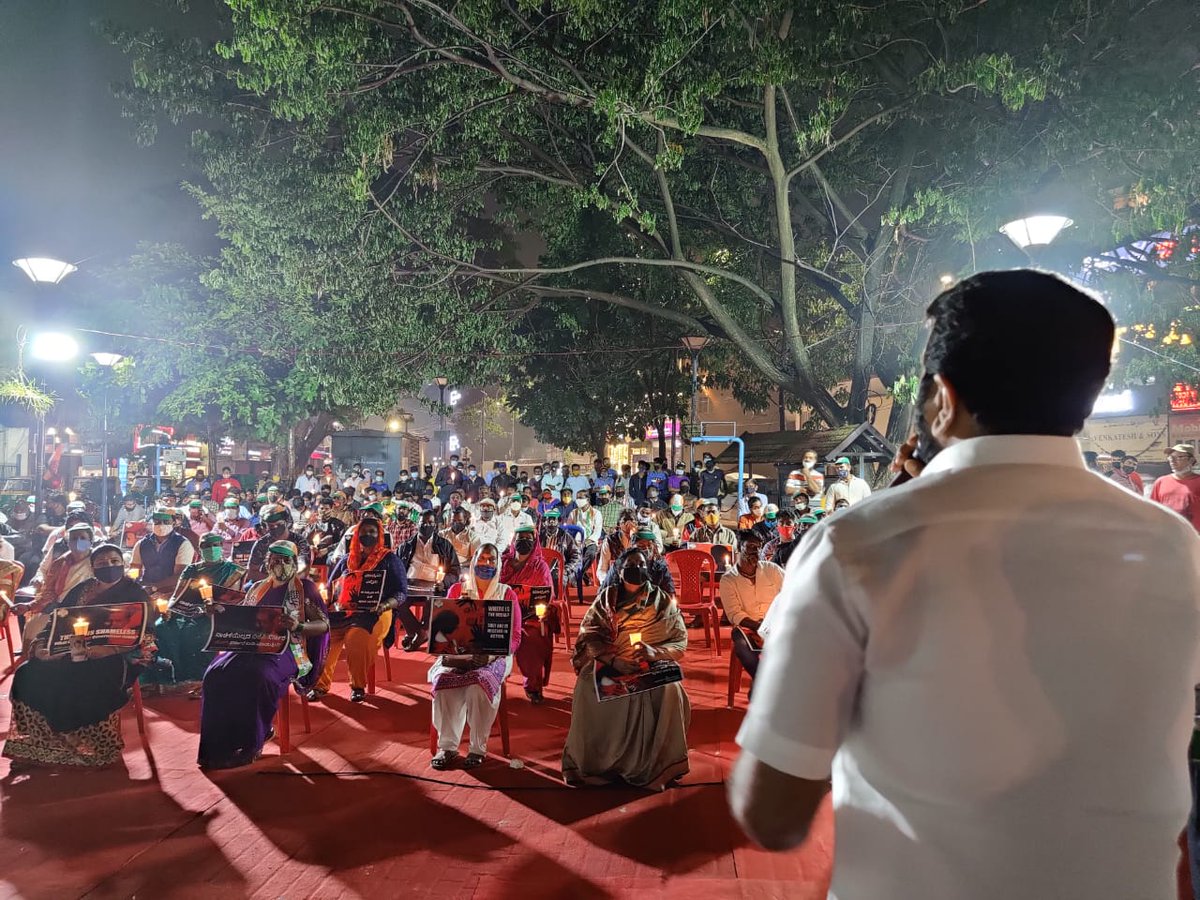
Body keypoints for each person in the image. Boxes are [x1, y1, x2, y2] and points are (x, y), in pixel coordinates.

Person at [730, 269, 1200, 899]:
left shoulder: (855, 546)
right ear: (1087, 397)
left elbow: (773, 813)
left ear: (944, 398)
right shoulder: (1173, 546)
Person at [3, 543, 154, 767]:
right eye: (102, 563)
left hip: (116, 655)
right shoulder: (82, 589)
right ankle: (41, 743)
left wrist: (109, 650)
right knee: (28, 672)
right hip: (70, 650)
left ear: (123, 564)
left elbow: (146, 635)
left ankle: (95, 747)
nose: (109, 566)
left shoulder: (135, 593)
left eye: (114, 561)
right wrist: (42, 647)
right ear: (92, 568)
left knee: (90, 676)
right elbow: (57, 619)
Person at [562, 547, 690, 789]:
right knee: (588, 685)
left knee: (670, 688)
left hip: (651, 661)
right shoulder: (607, 599)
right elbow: (588, 636)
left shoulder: (662, 601)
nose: (636, 570)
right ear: (619, 571)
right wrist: (613, 660)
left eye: (641, 565)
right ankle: (597, 764)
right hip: (612, 660)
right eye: (630, 566)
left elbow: (679, 640)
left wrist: (654, 653)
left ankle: (658, 765)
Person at [198, 541, 329, 769]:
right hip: (251, 645)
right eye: (275, 559)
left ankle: (253, 740)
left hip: (288, 649)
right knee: (215, 674)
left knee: (258, 676)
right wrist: (216, 611)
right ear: (267, 562)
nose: (280, 564)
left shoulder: (305, 588)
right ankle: (217, 746)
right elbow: (240, 617)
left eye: (286, 560)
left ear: (294, 562)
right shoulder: (256, 587)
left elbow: (323, 624)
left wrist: (299, 626)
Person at [429, 543, 523, 769]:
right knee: (444, 683)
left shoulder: (506, 594)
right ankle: (447, 746)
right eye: (482, 558)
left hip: (495, 656)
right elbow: (443, 628)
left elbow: (515, 636)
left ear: (498, 564)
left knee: (478, 687)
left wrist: (489, 657)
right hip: (459, 654)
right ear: (473, 561)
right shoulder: (457, 591)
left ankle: (477, 748)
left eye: (492, 560)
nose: (486, 564)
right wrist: (450, 654)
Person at [311, 518, 407, 702]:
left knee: (355, 638)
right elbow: (330, 586)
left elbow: (401, 592)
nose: (367, 535)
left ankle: (357, 686)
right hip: (342, 612)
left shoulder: (390, 559)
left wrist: (385, 605)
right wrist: (327, 598)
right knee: (324, 638)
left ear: (379, 535)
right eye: (363, 532)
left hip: (377, 612)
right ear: (356, 535)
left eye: (372, 532)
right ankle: (319, 685)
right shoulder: (346, 560)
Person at [146, 533, 248, 691]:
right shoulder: (191, 569)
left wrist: (212, 608)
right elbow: (178, 595)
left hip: (215, 614)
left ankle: (197, 677)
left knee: (193, 633)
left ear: (222, 547)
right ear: (200, 549)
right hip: (186, 611)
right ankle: (170, 677)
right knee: (161, 627)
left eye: (215, 545)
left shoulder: (234, 571)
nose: (211, 549)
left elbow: (233, 601)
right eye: (206, 546)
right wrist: (169, 609)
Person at [498, 521, 556, 704]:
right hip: (503, 614)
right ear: (513, 540)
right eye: (520, 538)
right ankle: (490, 682)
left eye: (528, 538)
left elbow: (548, 595)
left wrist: (541, 609)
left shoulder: (540, 567)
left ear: (535, 541)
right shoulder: (503, 563)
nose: (524, 541)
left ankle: (533, 686)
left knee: (532, 638)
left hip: (529, 618)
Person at [720, 531, 784, 684]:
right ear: (739, 549)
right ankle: (763, 682)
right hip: (747, 627)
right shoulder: (728, 580)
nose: (756, 551)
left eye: (758, 547)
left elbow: (791, 592)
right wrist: (758, 626)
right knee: (742, 646)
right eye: (751, 547)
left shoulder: (772, 570)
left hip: (775, 625)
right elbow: (734, 614)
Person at [395, 510, 460, 646]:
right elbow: (397, 569)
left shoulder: (444, 545)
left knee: (433, 601)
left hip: (434, 586)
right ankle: (418, 632)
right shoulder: (406, 546)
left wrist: (444, 583)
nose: (426, 525)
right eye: (423, 522)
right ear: (417, 524)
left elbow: (455, 571)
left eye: (430, 522)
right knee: (397, 601)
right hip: (410, 585)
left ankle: (417, 633)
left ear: (435, 525)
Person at [246, 506, 308, 585]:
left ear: (286, 522)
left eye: (279, 524)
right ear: (265, 526)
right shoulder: (262, 543)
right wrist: (275, 581)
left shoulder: (300, 541)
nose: (275, 527)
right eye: (271, 526)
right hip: (267, 582)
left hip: (293, 583)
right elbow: (251, 572)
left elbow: (303, 570)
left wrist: (286, 583)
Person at [1150, 444, 1200, 531]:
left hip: (1194, 535)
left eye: (1179, 457)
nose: (1172, 461)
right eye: (1170, 457)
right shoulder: (1161, 482)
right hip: (1168, 534)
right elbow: (1153, 510)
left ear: (1191, 460)